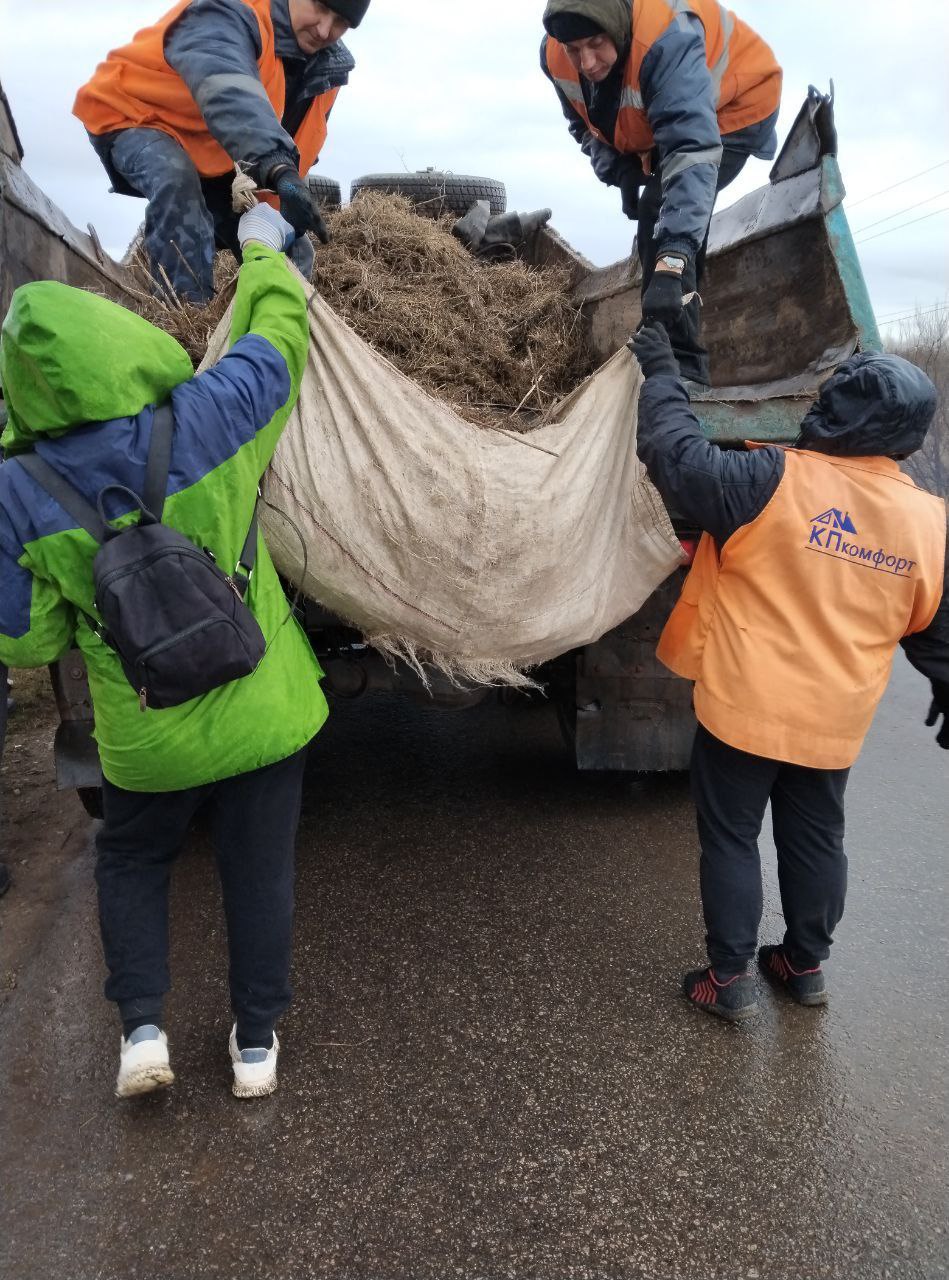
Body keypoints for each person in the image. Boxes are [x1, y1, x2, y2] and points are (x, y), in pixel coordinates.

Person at [0, 203, 327, 1096]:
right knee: (257, 872)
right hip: (262, 705)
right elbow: (278, 337)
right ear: (119, 342)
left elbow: (26, 636)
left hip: (145, 734)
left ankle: (142, 1035)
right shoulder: (212, 415)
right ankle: (254, 1046)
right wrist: (261, 251)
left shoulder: (14, 491)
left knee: (134, 863)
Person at [631, 322, 949, 1021]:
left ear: (833, 413)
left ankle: (729, 979)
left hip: (744, 707)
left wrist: (661, 373)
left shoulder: (766, 481)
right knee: (815, 838)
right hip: (834, 721)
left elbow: (672, 454)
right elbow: (936, 626)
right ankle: (802, 967)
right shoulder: (931, 523)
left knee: (731, 837)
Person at [541, 0, 782, 385]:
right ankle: (666, 338)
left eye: (596, 43)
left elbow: (691, 151)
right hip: (667, 122)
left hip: (736, 105)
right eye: (574, 49)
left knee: (661, 209)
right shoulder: (555, 53)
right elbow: (584, 125)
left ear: (616, 27)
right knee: (658, 209)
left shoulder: (667, 40)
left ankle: (681, 369)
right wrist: (619, 170)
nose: (586, 62)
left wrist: (672, 262)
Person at [73, 0, 371, 303]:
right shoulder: (228, 11)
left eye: (340, 22)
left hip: (214, 149)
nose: (324, 29)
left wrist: (278, 208)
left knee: (293, 247)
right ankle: (184, 324)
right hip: (136, 114)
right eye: (319, 7)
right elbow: (229, 91)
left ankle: (271, 338)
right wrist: (278, 166)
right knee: (177, 184)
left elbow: (297, 141)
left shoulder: (326, 75)